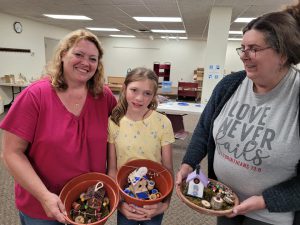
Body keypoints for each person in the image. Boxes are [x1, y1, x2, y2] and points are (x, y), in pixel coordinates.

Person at [176, 2, 300, 225]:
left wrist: (265, 201)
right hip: (224, 201)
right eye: (242, 48)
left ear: (282, 54)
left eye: (253, 49)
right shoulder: (230, 85)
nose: (244, 56)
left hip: (271, 215)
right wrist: (188, 162)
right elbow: (204, 130)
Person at [0, 29, 117, 225]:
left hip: (91, 202)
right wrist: (44, 196)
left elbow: (126, 135)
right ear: (63, 55)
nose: (85, 63)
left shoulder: (103, 96)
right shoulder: (35, 95)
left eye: (92, 58)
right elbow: (11, 153)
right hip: (42, 205)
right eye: (78, 54)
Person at [107, 67, 175, 225]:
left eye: (147, 93)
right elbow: (112, 169)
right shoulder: (114, 122)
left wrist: (165, 204)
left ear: (153, 96)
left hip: (154, 195)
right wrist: (119, 203)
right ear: (124, 89)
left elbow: (168, 168)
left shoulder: (162, 123)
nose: (139, 98)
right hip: (125, 197)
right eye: (134, 90)